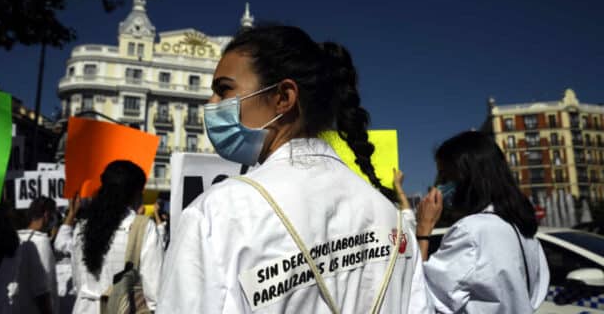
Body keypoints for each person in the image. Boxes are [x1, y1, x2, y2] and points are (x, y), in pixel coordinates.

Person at [157, 25, 431, 313]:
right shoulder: (393, 220)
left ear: (283, 98)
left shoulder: (217, 213)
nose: (210, 103)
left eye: (223, 89)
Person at [416, 131, 550, 313]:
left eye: (445, 176)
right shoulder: (520, 227)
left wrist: (424, 228)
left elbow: (422, 297)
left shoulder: (472, 231)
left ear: (466, 177)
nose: (439, 187)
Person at [65, 160, 162, 314]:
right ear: (134, 193)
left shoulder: (81, 227)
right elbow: (154, 292)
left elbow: (78, 283)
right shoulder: (144, 227)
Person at [17, 196, 59, 314]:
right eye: (53, 215)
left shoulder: (17, 238)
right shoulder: (42, 241)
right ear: (46, 215)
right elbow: (44, 288)